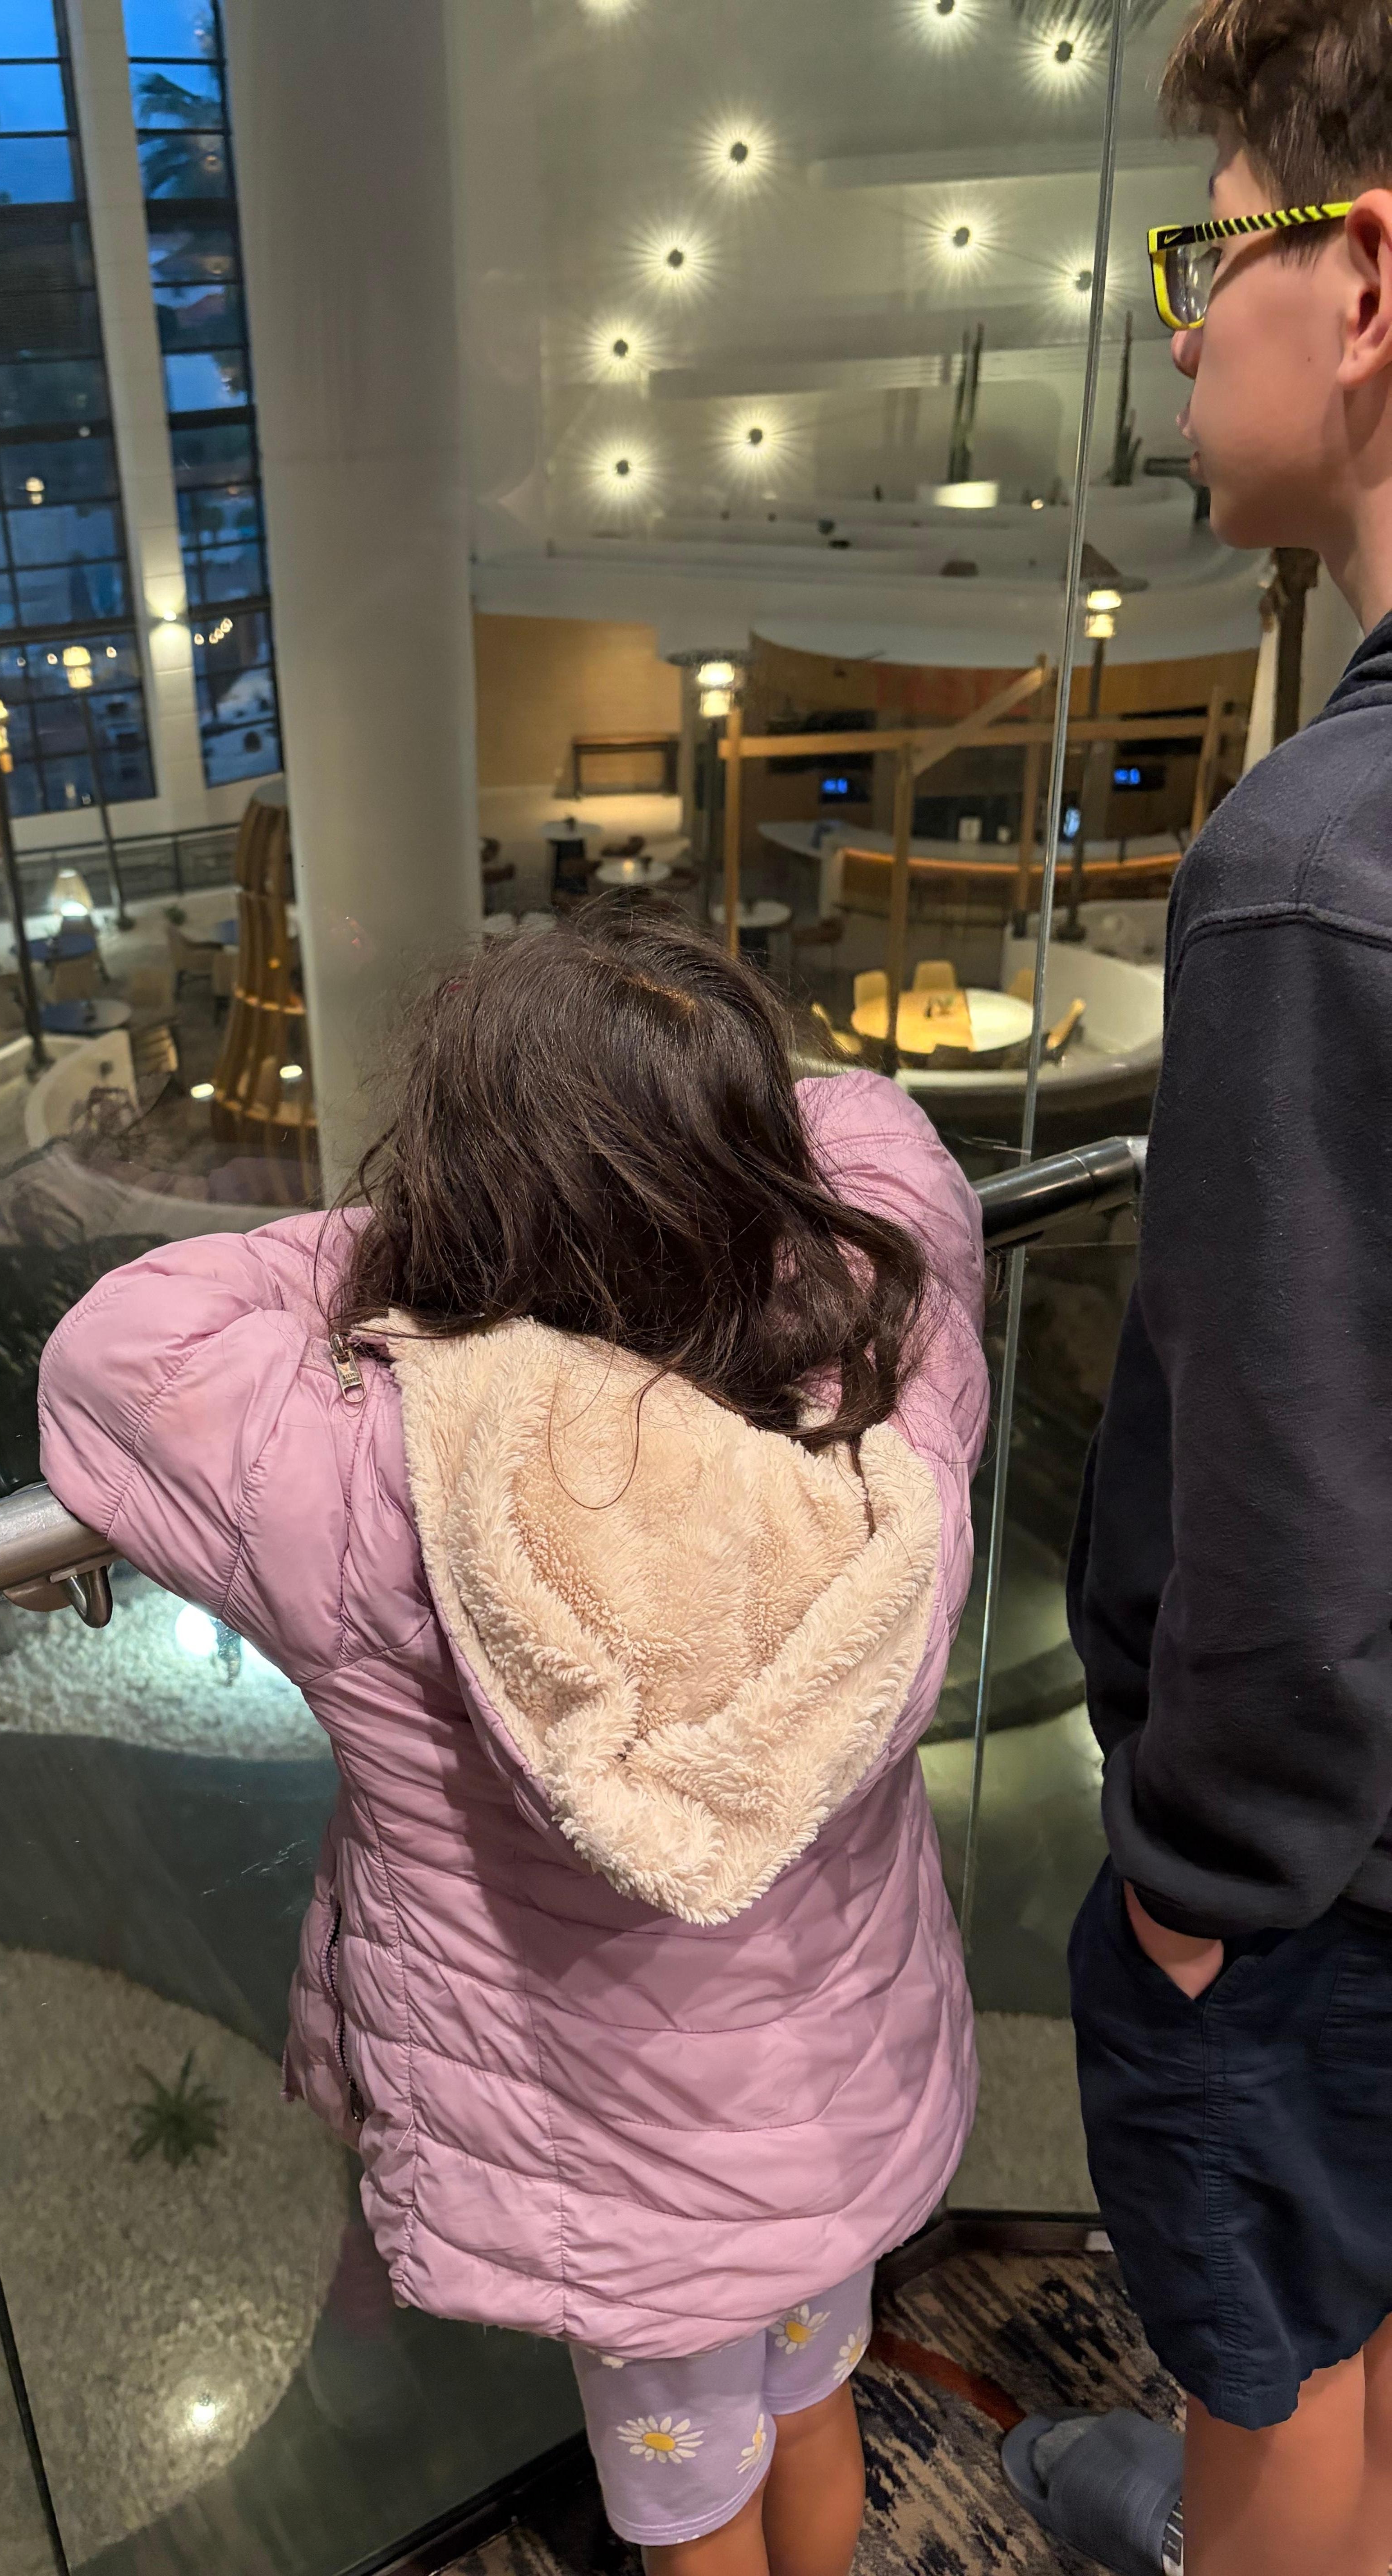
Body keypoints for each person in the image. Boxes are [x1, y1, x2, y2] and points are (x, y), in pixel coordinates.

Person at [38, 900, 989, 2576]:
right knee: (812, 2410)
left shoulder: (382, 1479)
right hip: (826, 2116)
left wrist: (431, 1245)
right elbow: (872, 1127)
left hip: (618, 2171)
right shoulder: (886, 1366)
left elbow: (126, 1342)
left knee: (691, 2506)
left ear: (478, 1192)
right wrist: (693, 1144)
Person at [1005, 8, 1392, 2575]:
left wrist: (1186, 1895)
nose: (1172, 330)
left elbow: (1286, 1495)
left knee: (1282, 2374)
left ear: (1358, 283)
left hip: (1310, 1890)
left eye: (1202, 252)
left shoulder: (1307, 872)